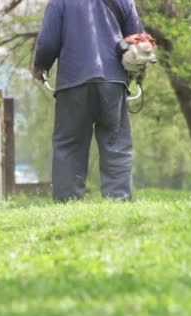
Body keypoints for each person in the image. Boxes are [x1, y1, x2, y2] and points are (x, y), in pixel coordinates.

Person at [32, 0, 144, 202]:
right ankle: (118, 200)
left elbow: (48, 43)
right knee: (116, 142)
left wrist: (41, 65)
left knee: (69, 144)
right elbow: (138, 41)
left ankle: (68, 202)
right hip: (113, 80)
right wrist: (140, 72)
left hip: (74, 80)